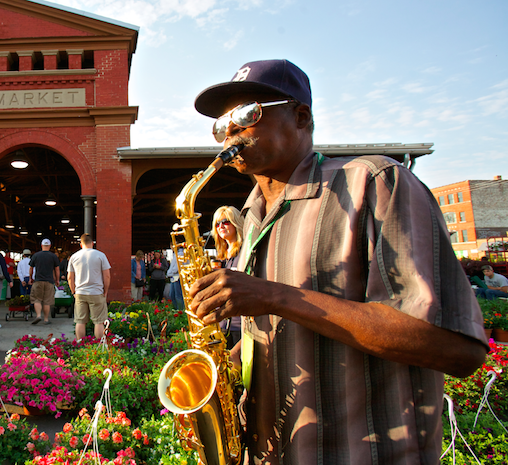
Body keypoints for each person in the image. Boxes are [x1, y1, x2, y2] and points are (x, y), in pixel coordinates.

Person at [187, 59, 487, 464]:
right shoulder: (252, 215)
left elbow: (455, 348)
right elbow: (285, 324)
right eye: (222, 125)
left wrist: (276, 297)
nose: (231, 132)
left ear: (301, 115)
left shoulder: (375, 183)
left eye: (247, 114)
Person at [211, 206, 244, 348]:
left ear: (236, 223)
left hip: (240, 325)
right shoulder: (221, 257)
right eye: (217, 224)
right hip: (222, 324)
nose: (221, 226)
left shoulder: (245, 252)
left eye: (225, 221)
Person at [67, 234, 111, 340]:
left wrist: (73, 291)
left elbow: (70, 277)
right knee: (99, 322)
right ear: (92, 243)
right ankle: (99, 346)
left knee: (80, 321)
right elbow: (107, 276)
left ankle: (80, 344)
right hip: (96, 292)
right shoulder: (100, 255)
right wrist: (105, 291)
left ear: (81, 244)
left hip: (80, 292)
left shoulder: (74, 256)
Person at [28, 238, 60, 325]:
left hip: (38, 280)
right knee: (47, 301)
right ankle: (46, 319)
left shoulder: (36, 255)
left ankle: (38, 315)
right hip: (49, 281)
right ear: (50, 246)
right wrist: (57, 280)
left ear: (41, 245)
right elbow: (57, 269)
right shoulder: (54, 256)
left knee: (37, 299)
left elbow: (31, 268)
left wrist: (30, 278)